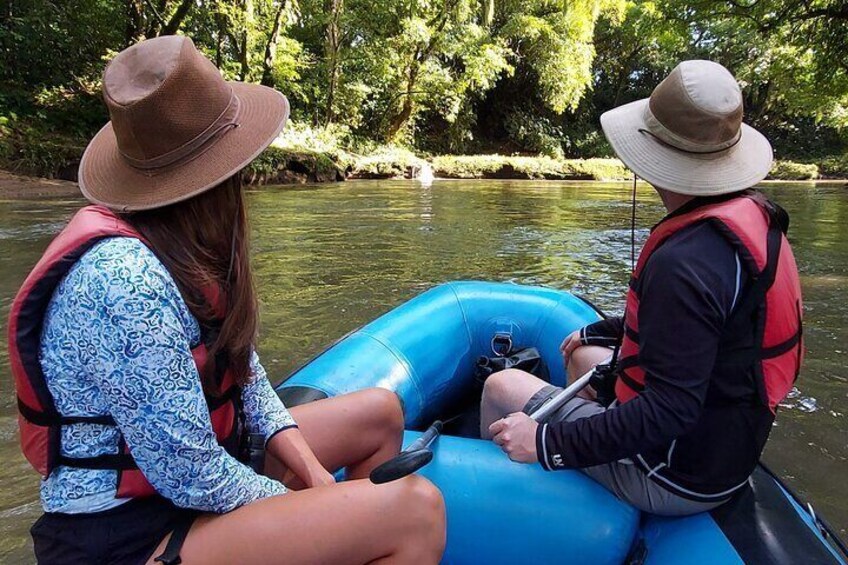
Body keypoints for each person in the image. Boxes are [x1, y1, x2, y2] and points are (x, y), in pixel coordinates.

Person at [9, 36, 445, 565]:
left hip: (192, 478)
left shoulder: (179, 244)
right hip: (128, 532)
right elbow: (192, 475)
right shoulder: (123, 283)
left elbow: (245, 375)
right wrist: (309, 508)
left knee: (380, 413)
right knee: (416, 509)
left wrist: (312, 476)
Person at [480, 60, 804, 516]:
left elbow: (670, 411)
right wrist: (597, 332)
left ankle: (506, 511)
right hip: (726, 447)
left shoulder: (683, 262)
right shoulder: (752, 221)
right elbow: (703, 328)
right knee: (582, 355)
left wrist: (548, 441)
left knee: (501, 385)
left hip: (677, 474)